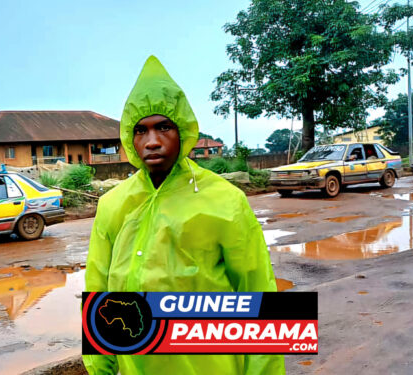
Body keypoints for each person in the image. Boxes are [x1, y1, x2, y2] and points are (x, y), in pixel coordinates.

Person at [83, 56, 285, 374]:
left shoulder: (226, 201)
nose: (152, 141)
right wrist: (100, 368)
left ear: (184, 132)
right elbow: (98, 292)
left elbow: (258, 291)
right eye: (141, 130)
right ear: (129, 139)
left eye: (164, 127)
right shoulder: (112, 205)